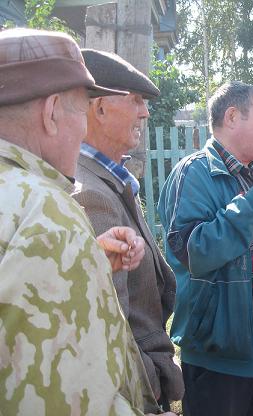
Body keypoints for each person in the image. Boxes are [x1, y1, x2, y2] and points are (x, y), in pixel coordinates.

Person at [0, 28, 172, 415]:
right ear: (51, 112)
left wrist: (85, 262)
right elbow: (69, 399)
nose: (83, 130)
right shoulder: (46, 212)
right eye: (81, 110)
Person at [157, 81, 253, 416]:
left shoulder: (251, 173)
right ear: (231, 117)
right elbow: (193, 252)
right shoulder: (195, 172)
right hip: (222, 345)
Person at [72, 49, 184, 413]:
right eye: (135, 100)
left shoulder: (109, 179)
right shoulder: (90, 193)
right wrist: (149, 392)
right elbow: (112, 332)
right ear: (100, 108)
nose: (145, 112)